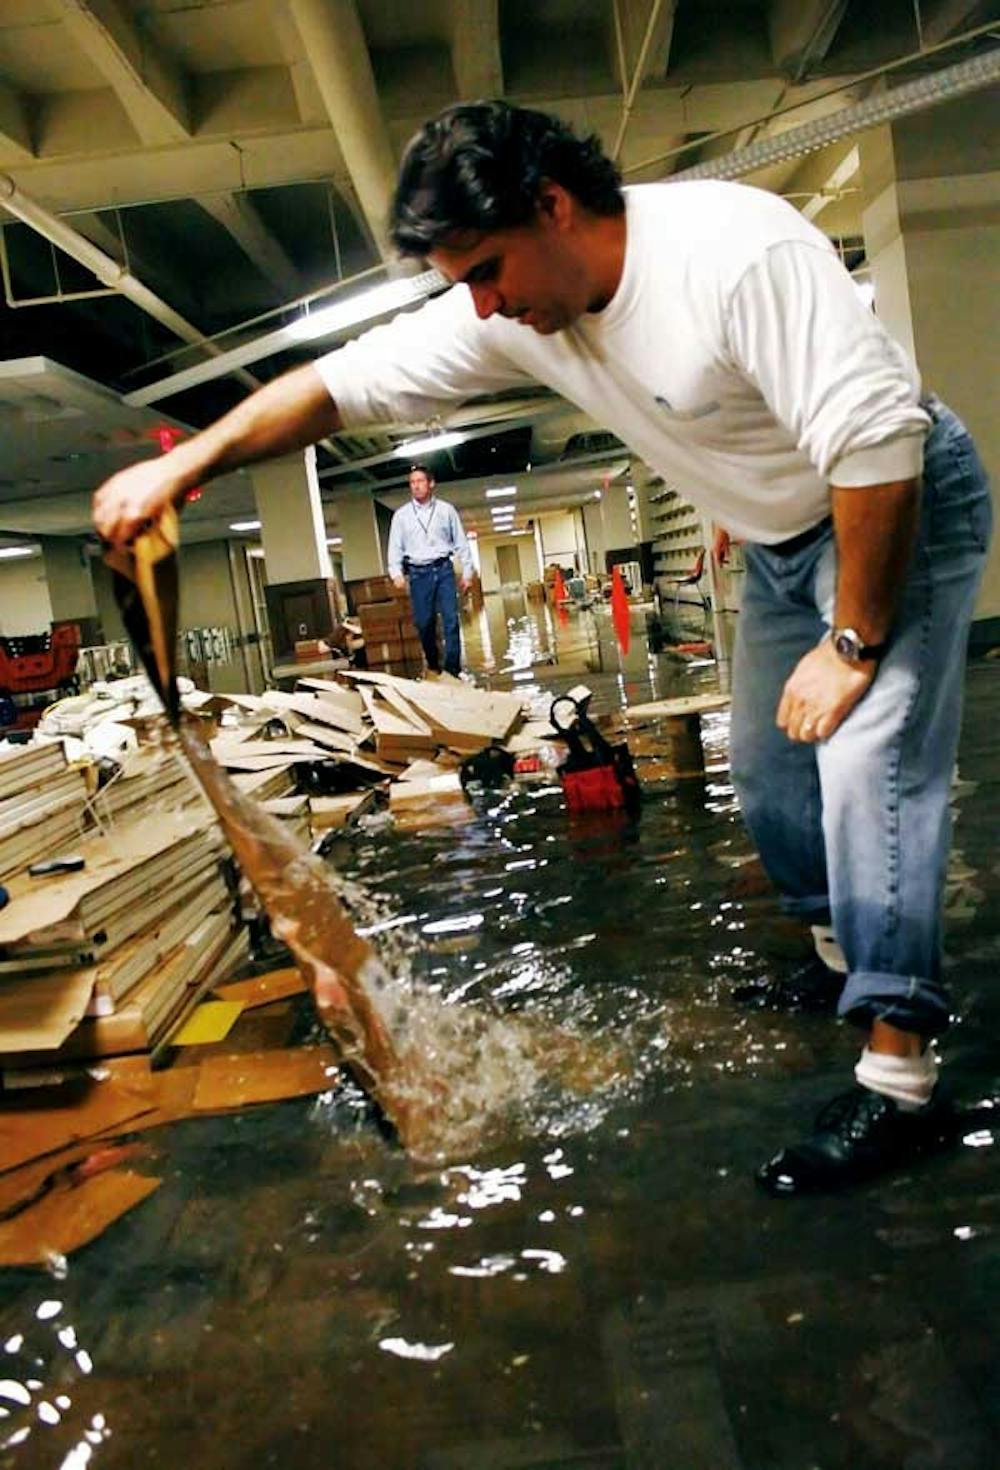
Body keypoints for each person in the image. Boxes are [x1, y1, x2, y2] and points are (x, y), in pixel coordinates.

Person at [93, 101, 992, 1196]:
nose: (482, 305)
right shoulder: (516, 309)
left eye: (485, 270)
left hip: (896, 503)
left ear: (552, 208)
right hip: (776, 533)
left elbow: (875, 445)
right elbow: (336, 386)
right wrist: (184, 470)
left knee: (868, 764)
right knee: (766, 773)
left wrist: (852, 644)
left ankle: (901, 1081)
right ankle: (841, 961)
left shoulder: (735, 252)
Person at [387, 463, 473, 676]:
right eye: (412, 483)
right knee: (424, 623)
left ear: (431, 483)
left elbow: (461, 542)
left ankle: (452, 670)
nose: (415, 486)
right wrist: (396, 573)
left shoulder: (446, 510)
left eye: (420, 482)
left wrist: (468, 572)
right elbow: (394, 546)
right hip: (418, 573)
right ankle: (434, 664)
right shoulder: (402, 516)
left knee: (451, 620)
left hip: (443, 569)